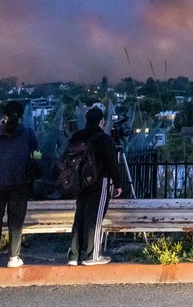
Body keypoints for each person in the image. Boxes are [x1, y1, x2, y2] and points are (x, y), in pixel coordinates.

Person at [0, 100, 38, 269]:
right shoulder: (27, 133)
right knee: (16, 221)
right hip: (18, 182)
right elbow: (34, 152)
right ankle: (14, 257)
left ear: (4, 114)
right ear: (21, 115)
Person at [67, 106, 123, 266]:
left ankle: (73, 254)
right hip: (99, 181)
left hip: (79, 182)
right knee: (95, 218)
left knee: (80, 216)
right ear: (101, 121)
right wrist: (118, 184)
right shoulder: (104, 139)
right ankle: (92, 255)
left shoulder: (77, 137)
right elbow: (112, 163)